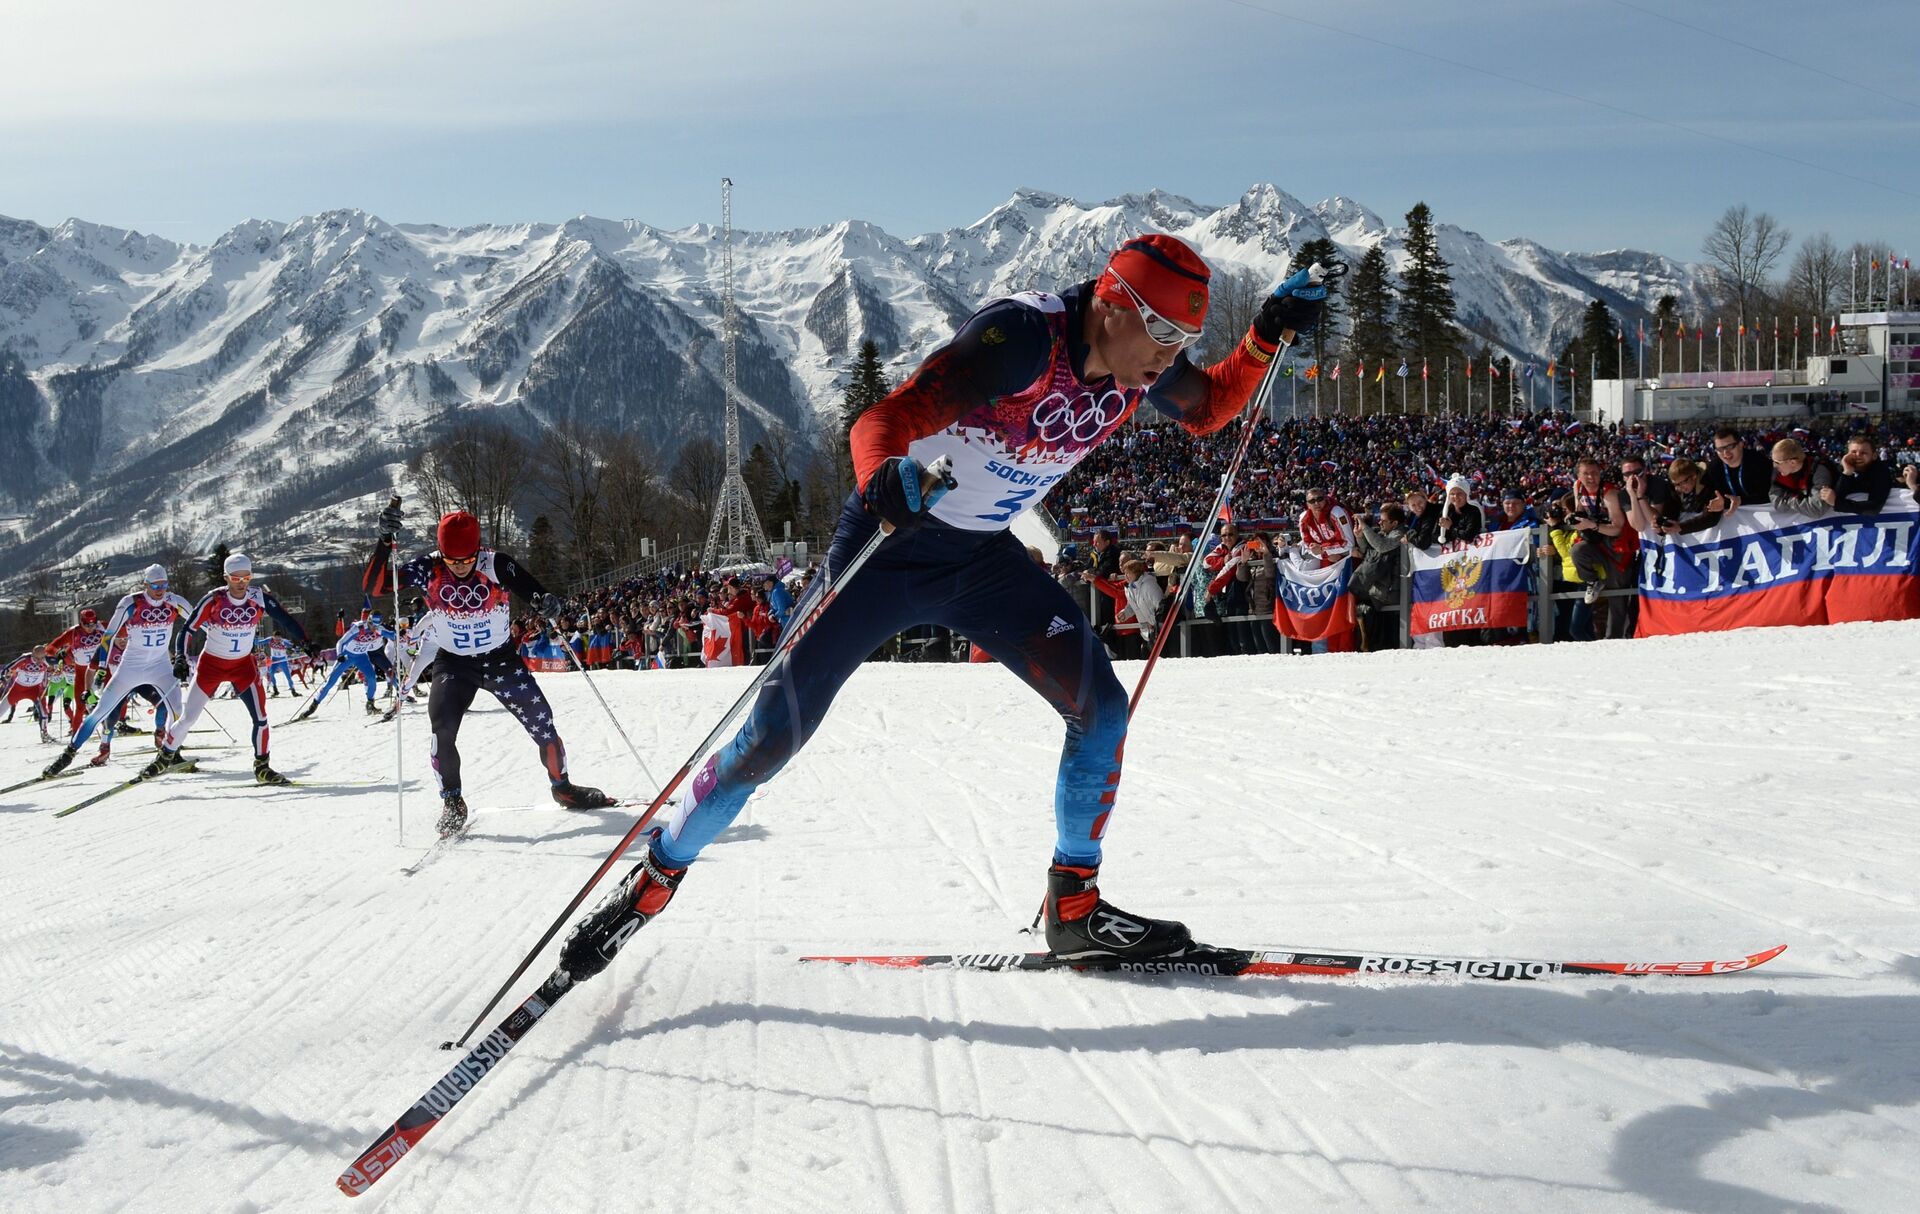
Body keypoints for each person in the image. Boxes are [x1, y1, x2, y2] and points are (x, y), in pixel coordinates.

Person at [559, 233, 1327, 983]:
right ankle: (656, 876)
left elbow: (1212, 407)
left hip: (980, 558)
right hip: (889, 546)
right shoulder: (1023, 339)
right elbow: (880, 420)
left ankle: (1075, 906)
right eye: (1162, 329)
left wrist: (1262, 334)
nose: (1171, 351)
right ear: (1112, 303)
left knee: (1102, 709)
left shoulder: (1138, 365)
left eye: (1186, 334)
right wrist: (882, 475)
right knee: (770, 738)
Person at [362, 506, 616, 835]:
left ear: (477, 549)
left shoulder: (494, 563)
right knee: (441, 731)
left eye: (466, 559)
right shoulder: (430, 567)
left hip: (500, 661)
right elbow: (375, 586)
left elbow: (532, 588)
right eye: (452, 560)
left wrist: (546, 601)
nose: (461, 566)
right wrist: (384, 541)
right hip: (454, 663)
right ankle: (453, 801)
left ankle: (563, 787)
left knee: (543, 723)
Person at [141, 553, 309, 785]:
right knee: (188, 718)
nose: (241, 583)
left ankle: (262, 767)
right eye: (235, 578)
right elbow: (187, 629)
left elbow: (286, 620)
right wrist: (180, 657)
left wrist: (306, 641)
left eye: (246, 577)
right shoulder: (214, 599)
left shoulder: (259, 597)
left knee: (261, 718)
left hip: (243, 666)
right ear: (226, 577)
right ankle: (165, 756)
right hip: (211, 666)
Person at [42, 565, 195, 778]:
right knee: (99, 712)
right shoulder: (131, 603)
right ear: (145, 585)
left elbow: (199, 622)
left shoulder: (174, 602)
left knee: (178, 710)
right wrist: (102, 668)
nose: (160, 590)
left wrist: (186, 655)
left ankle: (171, 752)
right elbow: (108, 636)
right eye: (154, 585)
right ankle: (68, 754)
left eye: (164, 584)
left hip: (160, 666)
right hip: (131, 668)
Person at [294, 609, 390, 718]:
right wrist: (339, 654)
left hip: (362, 657)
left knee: (372, 678)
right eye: (373, 624)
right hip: (347, 656)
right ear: (369, 620)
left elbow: (392, 635)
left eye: (378, 624)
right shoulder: (358, 628)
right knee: (330, 682)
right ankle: (313, 706)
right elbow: (341, 642)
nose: (375, 627)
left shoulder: (379, 629)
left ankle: (370, 704)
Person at [43, 609, 108, 736]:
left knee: (117, 697)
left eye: (93, 624)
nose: (91, 628)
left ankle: (116, 725)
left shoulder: (103, 626)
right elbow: (49, 648)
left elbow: (123, 631)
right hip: (82, 672)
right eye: (86, 625)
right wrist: (58, 653)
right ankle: (75, 736)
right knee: (80, 707)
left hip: (102, 668)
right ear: (81, 622)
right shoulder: (73, 632)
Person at [1825, 433, 1893, 515]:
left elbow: (1874, 507)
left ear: (1874, 456)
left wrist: (1838, 504)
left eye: (1863, 453)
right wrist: (1847, 473)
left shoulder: (1881, 471)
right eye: (1853, 452)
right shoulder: (1842, 469)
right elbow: (1836, 496)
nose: (1858, 456)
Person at [1702, 426, 1771, 506]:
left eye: (1730, 447)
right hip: (1731, 515)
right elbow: (1708, 495)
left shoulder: (1759, 462)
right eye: (1720, 449)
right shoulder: (1714, 467)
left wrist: (1740, 500)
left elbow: (1768, 495)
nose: (1726, 453)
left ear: (1741, 444)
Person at [1768, 437, 1835, 516]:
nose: (1775, 466)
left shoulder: (1818, 471)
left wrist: (1789, 500)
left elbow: (1816, 509)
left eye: (1777, 462)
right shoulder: (1780, 472)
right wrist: (1801, 502)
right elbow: (1777, 504)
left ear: (1792, 462)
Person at [3, 646, 55, 742]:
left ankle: (44, 734)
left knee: (44, 713)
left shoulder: (47, 660)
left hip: (35, 690)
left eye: (42, 658)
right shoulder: (25, 658)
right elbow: (8, 668)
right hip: (18, 689)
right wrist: (5, 676)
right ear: (32, 654)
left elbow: (55, 667)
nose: (39, 661)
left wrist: (55, 670)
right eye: (37, 658)